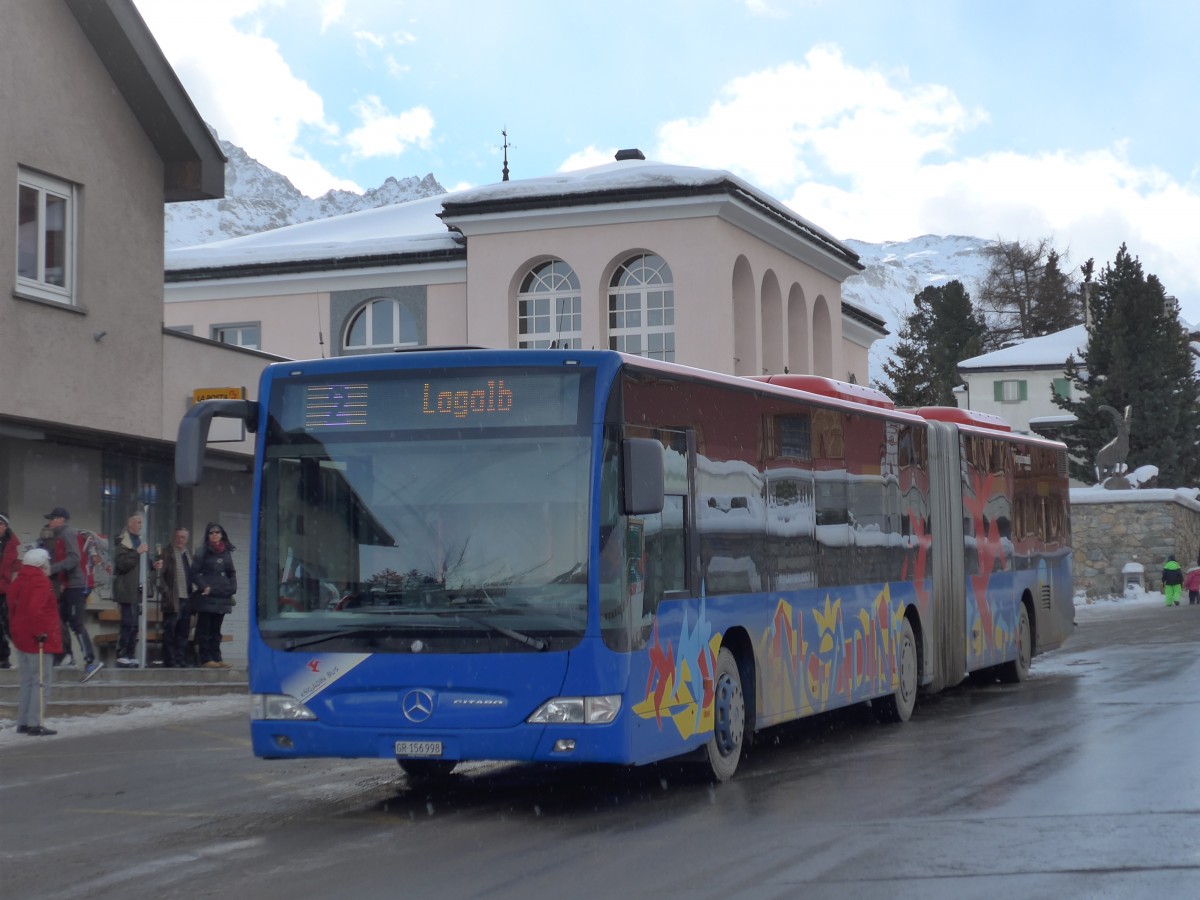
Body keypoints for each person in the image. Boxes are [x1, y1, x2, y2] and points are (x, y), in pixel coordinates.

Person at [43, 508, 102, 681]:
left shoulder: (67, 534)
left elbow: (74, 558)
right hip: (69, 586)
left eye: (52, 519)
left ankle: (90, 661)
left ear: (61, 519)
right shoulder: (61, 535)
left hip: (76, 586)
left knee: (76, 623)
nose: (50, 522)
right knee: (60, 619)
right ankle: (65, 656)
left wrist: (51, 570)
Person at [8, 548, 62, 736]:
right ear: (41, 564)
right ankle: (35, 722)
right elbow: (34, 609)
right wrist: (40, 632)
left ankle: (23, 721)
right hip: (38, 638)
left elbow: (12, 606)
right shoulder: (40, 581)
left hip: (20, 636)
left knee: (27, 681)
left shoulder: (19, 579)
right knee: (41, 682)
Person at [191, 522, 236, 669]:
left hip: (222, 597)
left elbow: (231, 573)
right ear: (208, 535)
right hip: (207, 597)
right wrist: (204, 586)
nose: (214, 535)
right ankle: (206, 658)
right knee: (205, 629)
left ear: (222, 534)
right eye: (211, 532)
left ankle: (217, 658)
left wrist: (232, 588)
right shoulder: (202, 551)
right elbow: (194, 573)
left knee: (216, 630)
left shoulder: (226, 552)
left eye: (217, 532)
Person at [112, 512, 151, 667]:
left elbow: (145, 564)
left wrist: (154, 566)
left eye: (142, 522)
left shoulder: (140, 541)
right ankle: (121, 653)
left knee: (135, 623)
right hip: (126, 588)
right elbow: (122, 563)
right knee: (127, 622)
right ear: (131, 524)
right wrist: (137, 552)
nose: (141, 525)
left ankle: (131, 653)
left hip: (138, 589)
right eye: (138, 522)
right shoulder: (123, 542)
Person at [155, 527, 195, 667]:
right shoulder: (166, 553)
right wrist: (166, 593)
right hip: (173, 600)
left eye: (183, 537)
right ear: (174, 537)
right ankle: (170, 661)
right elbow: (159, 577)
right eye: (178, 536)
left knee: (183, 632)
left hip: (187, 599)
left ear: (187, 539)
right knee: (170, 632)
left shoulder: (188, 553)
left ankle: (181, 660)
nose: (180, 540)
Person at [0, 513, 20, 668]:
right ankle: (3, 657)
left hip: (5, 589)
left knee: (8, 624)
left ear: (5, 526)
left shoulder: (12, 543)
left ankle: (10, 655)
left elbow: (14, 566)